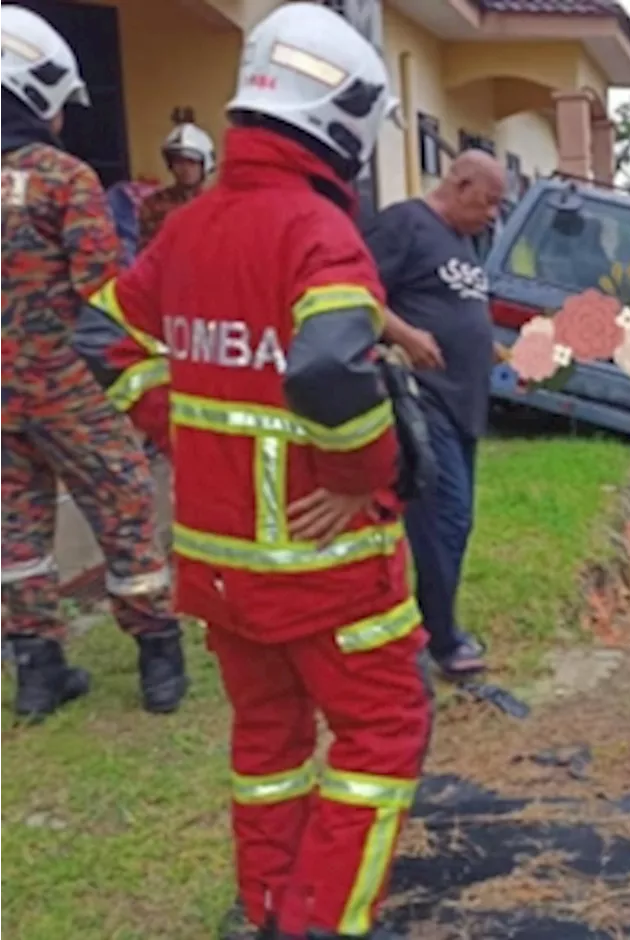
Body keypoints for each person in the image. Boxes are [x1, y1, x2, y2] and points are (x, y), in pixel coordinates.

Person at [79, 5, 429, 938]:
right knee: (380, 735)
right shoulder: (318, 231)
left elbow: (101, 334)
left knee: (267, 743)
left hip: (220, 565)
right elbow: (323, 368)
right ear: (340, 115)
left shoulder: (190, 227)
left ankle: (268, 908)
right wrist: (364, 475)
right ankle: (320, 923)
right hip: (326, 567)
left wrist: (178, 425)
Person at [0, 4, 188, 721]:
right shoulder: (64, 178)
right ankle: (159, 661)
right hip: (67, 387)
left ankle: (38, 674)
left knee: (16, 530)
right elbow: (106, 295)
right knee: (125, 502)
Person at [363, 150, 507, 679]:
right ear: (460, 182)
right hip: (421, 397)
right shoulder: (405, 223)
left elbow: (453, 303)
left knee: (456, 520)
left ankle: (430, 626)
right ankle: (440, 640)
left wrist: (485, 344)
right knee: (444, 518)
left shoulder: (464, 241)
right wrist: (405, 335)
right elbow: (355, 294)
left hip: (463, 402)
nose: (493, 214)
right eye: (488, 201)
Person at [135, 109, 214, 253]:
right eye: (179, 162)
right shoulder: (153, 204)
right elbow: (145, 254)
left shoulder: (215, 205)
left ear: (204, 165)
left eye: (192, 162)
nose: (185, 169)